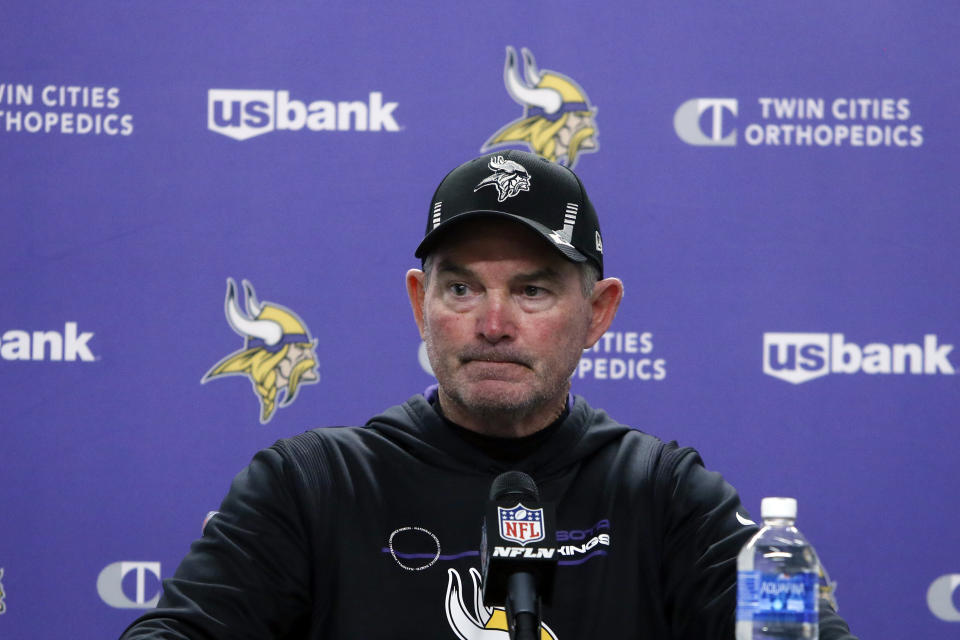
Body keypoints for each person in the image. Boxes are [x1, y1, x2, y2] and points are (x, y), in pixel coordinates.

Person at [121, 150, 856, 639]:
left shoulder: (661, 495)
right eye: (462, 287)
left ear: (598, 313)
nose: (493, 324)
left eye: (532, 291)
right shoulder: (311, 485)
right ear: (420, 302)